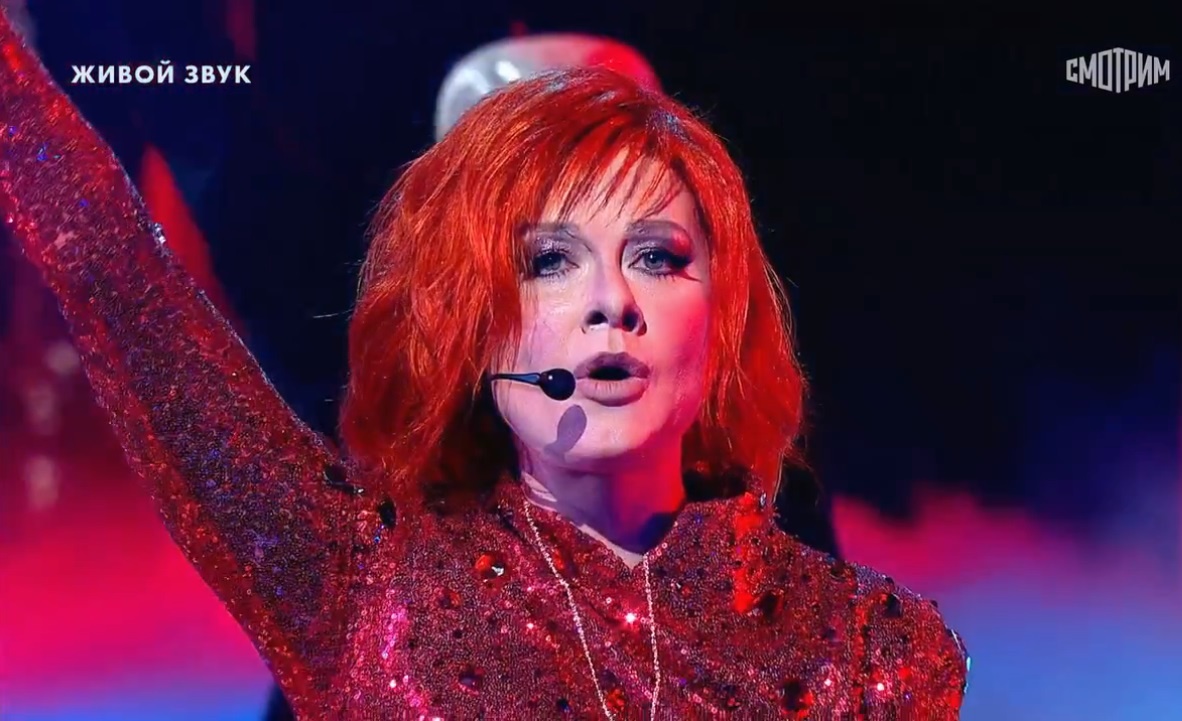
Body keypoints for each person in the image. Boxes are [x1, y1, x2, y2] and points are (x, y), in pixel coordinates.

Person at [0, 13, 967, 719]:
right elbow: (115, 273)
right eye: (549, 261)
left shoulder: (871, 654)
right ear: (471, 318)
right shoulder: (360, 586)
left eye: (657, 255)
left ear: (727, 309)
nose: (611, 300)